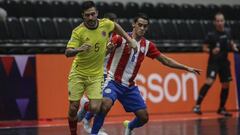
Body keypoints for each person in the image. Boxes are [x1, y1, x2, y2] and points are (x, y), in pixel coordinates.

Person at [86, 13, 201, 135]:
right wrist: (108, 49)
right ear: (133, 25)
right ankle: (94, 132)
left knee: (144, 117)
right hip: (113, 81)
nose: (142, 28)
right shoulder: (120, 38)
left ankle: (129, 127)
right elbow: (104, 52)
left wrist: (185, 67)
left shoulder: (147, 45)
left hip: (129, 87)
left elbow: (164, 60)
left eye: (145, 26)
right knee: (105, 104)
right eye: (139, 25)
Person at [65, 1, 138, 135]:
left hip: (96, 75)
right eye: (87, 15)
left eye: (93, 14)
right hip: (79, 73)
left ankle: (85, 106)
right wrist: (78, 49)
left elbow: (115, 26)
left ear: (97, 13)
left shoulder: (105, 24)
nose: (91, 17)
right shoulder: (78, 31)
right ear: (83, 16)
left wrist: (129, 39)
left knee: (95, 108)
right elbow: (67, 53)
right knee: (72, 109)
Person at [78, 12, 118, 134]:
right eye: (110, 22)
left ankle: (86, 115)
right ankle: (86, 110)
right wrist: (107, 50)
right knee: (103, 103)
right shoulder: (98, 35)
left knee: (106, 102)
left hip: (111, 73)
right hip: (99, 71)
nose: (113, 25)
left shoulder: (117, 36)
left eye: (114, 22)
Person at [193, 12, 239, 116]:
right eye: (217, 21)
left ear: (224, 21)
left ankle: (221, 108)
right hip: (214, 62)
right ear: (215, 22)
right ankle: (197, 106)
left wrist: (234, 47)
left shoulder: (228, 32)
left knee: (226, 84)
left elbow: (231, 42)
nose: (220, 23)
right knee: (209, 81)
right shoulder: (211, 35)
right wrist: (211, 51)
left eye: (221, 21)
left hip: (224, 63)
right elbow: (204, 48)